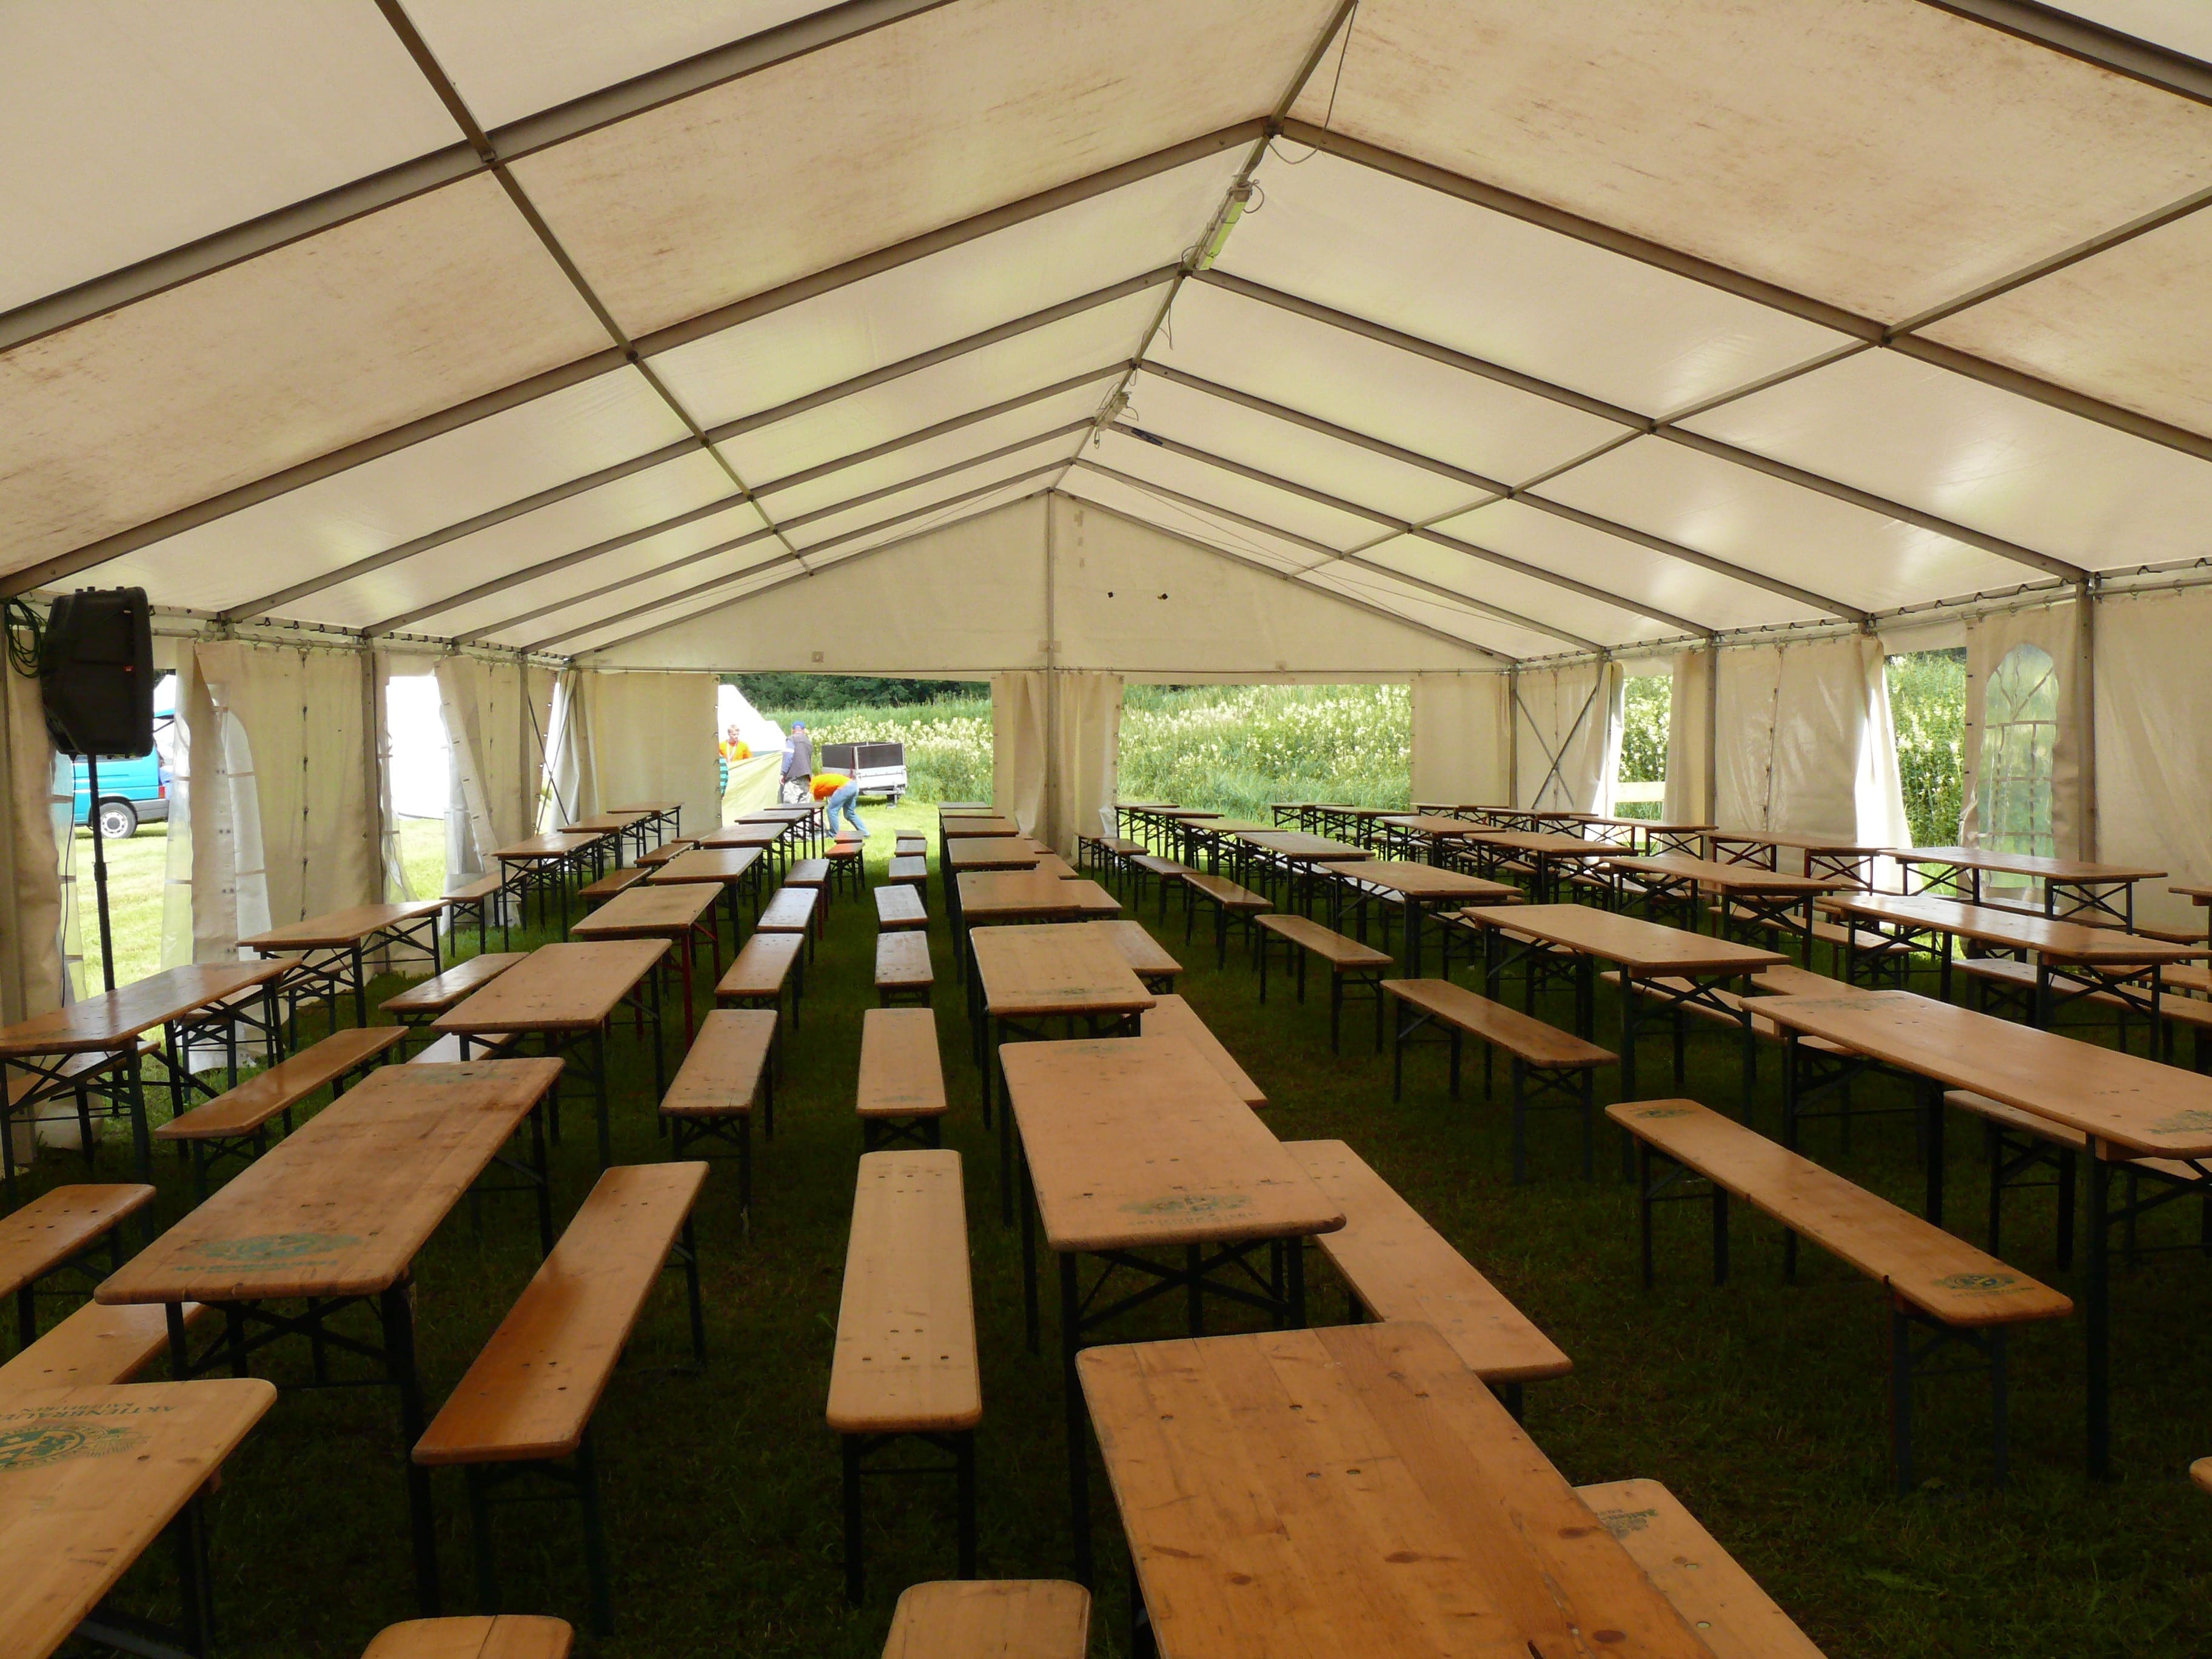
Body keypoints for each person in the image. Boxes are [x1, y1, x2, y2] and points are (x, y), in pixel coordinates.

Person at [823, 773, 868, 840]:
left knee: (832, 811)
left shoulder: (816, 785)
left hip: (845, 787)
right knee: (849, 814)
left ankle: (833, 835)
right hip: (853, 785)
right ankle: (865, 834)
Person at [780, 721, 812, 806]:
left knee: (790, 807)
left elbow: (788, 757)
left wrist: (783, 773)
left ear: (793, 730)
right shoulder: (809, 742)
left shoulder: (791, 739)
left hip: (794, 779)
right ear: (804, 730)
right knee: (804, 809)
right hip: (807, 778)